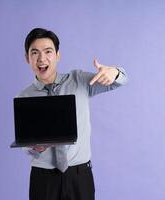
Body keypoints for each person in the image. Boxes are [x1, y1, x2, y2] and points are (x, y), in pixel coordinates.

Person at [17, 28, 128, 200]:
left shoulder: (79, 80)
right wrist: (34, 147)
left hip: (79, 176)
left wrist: (115, 72)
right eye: (34, 53)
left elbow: (119, 81)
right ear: (27, 58)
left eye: (48, 51)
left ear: (58, 55)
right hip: (43, 178)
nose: (41, 59)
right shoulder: (24, 97)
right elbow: (25, 144)